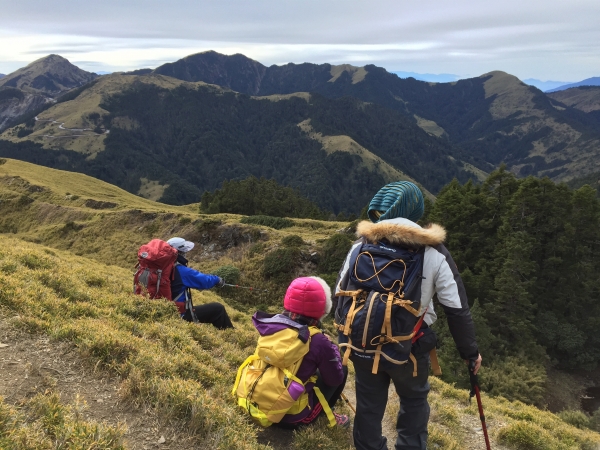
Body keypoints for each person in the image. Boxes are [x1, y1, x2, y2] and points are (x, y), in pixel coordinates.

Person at [334, 181, 482, 450]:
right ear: (416, 209)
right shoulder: (433, 252)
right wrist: (470, 354)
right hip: (410, 347)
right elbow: (457, 309)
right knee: (413, 401)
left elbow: (340, 292)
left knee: (368, 405)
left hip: (364, 342)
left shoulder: (360, 246)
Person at [275, 277, 350, 428]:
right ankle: (323, 411)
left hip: (261, 403)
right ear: (322, 306)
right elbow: (335, 379)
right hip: (292, 418)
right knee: (342, 368)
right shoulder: (318, 340)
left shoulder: (273, 323)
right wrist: (331, 346)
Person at [167, 237, 234, 329]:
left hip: (162, 310)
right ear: (180, 253)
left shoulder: (160, 267)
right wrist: (218, 280)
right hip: (178, 314)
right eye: (185, 251)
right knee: (218, 309)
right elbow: (204, 281)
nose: (186, 253)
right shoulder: (181, 270)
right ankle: (231, 335)